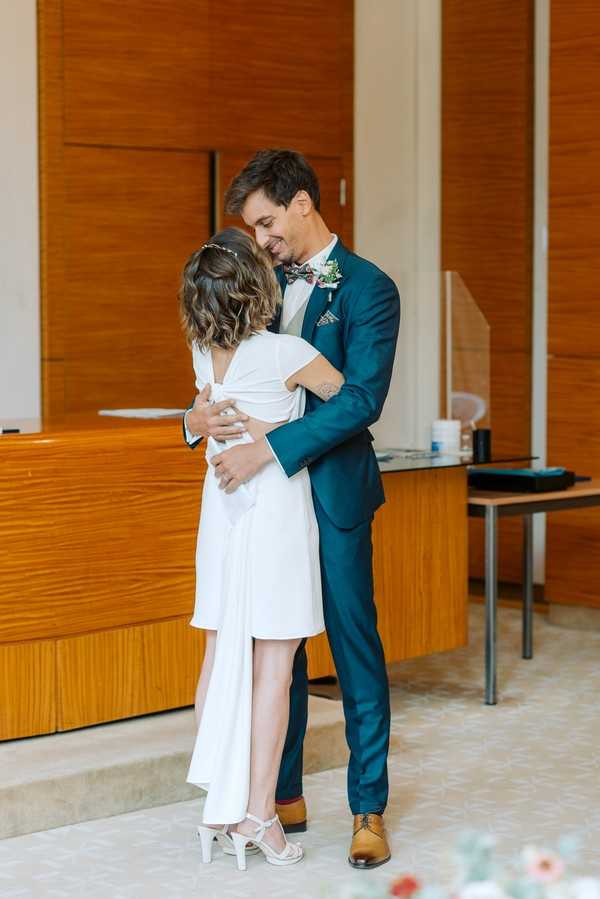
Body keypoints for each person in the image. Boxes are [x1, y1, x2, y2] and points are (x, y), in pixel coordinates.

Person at [184, 149, 401, 869]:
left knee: (352, 649)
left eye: (268, 222)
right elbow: (224, 374)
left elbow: (363, 399)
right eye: (254, 228)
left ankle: (368, 806)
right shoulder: (258, 283)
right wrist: (198, 420)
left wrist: (271, 445)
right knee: (279, 648)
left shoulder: (370, 288)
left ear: (303, 203)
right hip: (267, 509)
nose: (263, 239)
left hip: (331, 493)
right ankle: (276, 797)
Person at [181, 227, 345, 871]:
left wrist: (208, 423)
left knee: (220, 654)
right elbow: (347, 398)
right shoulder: (286, 351)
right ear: (258, 286)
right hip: (273, 507)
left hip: (221, 510)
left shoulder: (201, 350)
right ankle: (259, 816)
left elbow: (205, 414)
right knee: (274, 666)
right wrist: (280, 425)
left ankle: (218, 812)